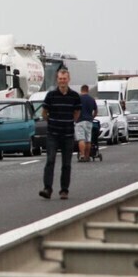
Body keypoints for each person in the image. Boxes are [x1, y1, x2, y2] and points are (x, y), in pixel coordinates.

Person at [40, 69, 81, 200]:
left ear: (68, 79)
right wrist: (52, 122)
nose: (62, 81)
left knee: (66, 164)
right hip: (53, 134)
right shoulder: (51, 95)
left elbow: (77, 113)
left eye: (64, 79)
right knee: (50, 161)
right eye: (60, 79)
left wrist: (69, 122)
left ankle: (64, 190)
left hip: (68, 134)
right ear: (57, 80)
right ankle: (47, 188)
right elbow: (44, 113)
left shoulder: (74, 96)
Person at [75, 85, 97, 162]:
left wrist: (75, 119)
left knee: (81, 139)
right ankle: (87, 156)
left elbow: (75, 110)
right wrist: (92, 117)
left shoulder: (78, 99)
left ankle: (82, 155)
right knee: (88, 140)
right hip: (89, 121)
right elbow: (96, 110)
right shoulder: (92, 99)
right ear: (87, 90)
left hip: (80, 121)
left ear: (81, 90)